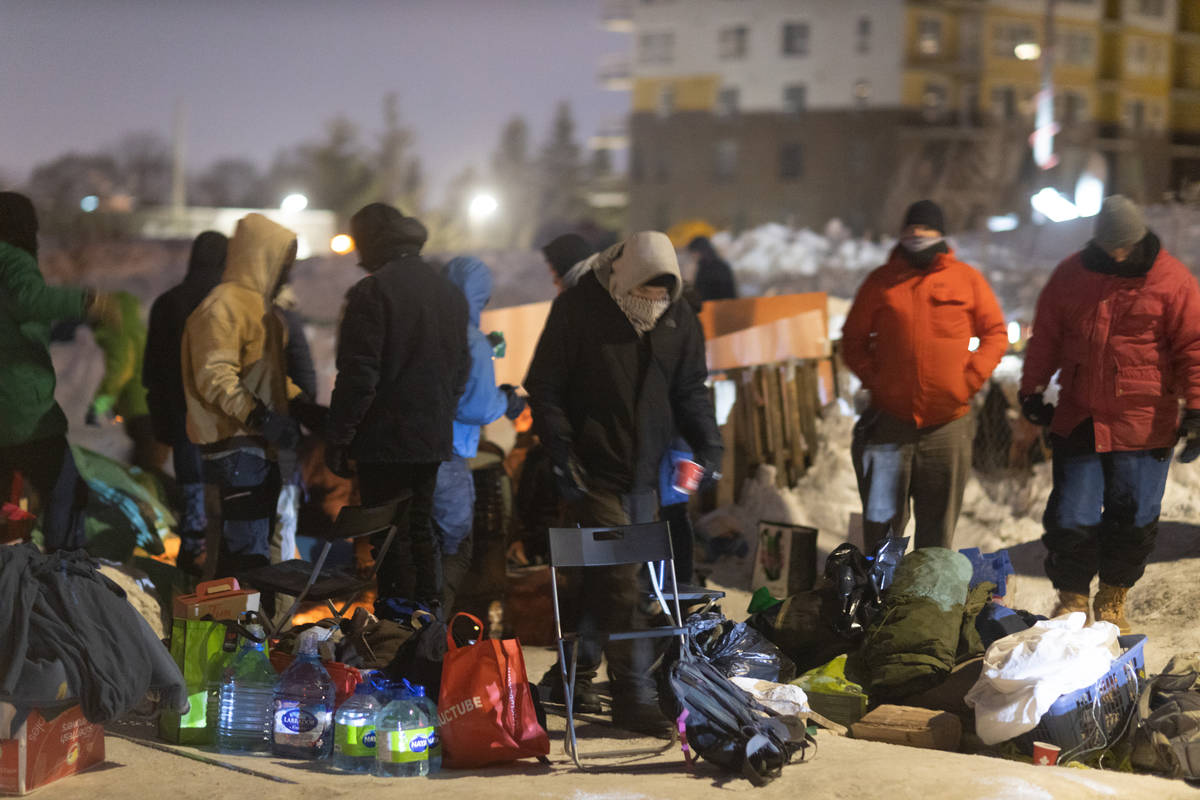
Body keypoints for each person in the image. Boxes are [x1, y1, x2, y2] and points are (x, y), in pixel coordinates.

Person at [525, 230, 723, 734]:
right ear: (623, 280)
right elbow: (544, 386)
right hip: (594, 474)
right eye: (645, 293)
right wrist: (562, 450)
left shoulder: (678, 317)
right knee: (623, 581)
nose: (652, 304)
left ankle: (570, 676)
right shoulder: (579, 310)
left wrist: (708, 447)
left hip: (646, 479)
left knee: (609, 583)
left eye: (662, 294)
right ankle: (631, 695)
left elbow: (690, 389)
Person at [1020, 195, 1200, 632]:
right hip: (1080, 416)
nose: (1117, 254)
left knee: (1134, 518)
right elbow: (1047, 336)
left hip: (1144, 424)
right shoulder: (1071, 275)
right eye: (1109, 246)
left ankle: (1113, 598)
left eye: (1124, 246)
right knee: (1070, 514)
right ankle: (1073, 600)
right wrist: (1032, 389)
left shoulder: (1172, 281)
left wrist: (1196, 410)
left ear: (1138, 239)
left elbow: (1193, 348)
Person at [325, 203, 470, 617]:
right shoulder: (449, 292)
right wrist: (440, 411)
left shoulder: (373, 291)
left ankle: (396, 629)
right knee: (421, 530)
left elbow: (358, 375)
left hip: (384, 441)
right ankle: (428, 625)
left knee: (389, 536)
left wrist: (339, 438)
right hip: (433, 437)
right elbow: (461, 367)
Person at [842, 199, 1007, 553]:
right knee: (882, 530)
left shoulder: (967, 279)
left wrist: (969, 379)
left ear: (941, 234)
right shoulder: (881, 282)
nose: (917, 234)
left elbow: (996, 333)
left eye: (926, 228)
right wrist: (878, 380)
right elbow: (853, 341)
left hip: (946, 429)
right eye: (911, 228)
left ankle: (925, 604)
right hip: (888, 428)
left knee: (937, 533)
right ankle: (880, 601)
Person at [181, 213, 307, 575]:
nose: (288, 271)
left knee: (255, 550)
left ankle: (251, 627)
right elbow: (214, 375)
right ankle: (238, 629)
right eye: (283, 261)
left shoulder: (258, 306)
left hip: (254, 444)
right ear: (261, 258)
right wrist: (259, 416)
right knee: (244, 554)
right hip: (233, 444)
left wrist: (300, 405)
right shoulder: (223, 306)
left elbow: (266, 377)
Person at [0, 191, 121, 551]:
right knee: (66, 487)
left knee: (7, 501)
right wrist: (87, 300)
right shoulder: (13, 259)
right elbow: (30, 301)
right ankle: (61, 572)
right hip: (21, 409)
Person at [436, 256, 526, 612]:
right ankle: (440, 630)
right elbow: (476, 407)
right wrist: (505, 400)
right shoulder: (471, 340)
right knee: (455, 544)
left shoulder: (428, 329)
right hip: (452, 453)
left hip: (419, 451)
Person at [144, 231, 227, 574]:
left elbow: (153, 369)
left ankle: (190, 569)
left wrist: (163, 422)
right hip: (225, 420)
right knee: (224, 502)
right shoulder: (228, 303)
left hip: (182, 418)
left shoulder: (168, 302)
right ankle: (221, 575)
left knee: (193, 496)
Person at [88, 290, 159, 471]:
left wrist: (100, 404)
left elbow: (120, 371)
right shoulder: (136, 329)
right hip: (152, 406)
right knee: (146, 466)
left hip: (140, 408)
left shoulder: (117, 332)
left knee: (143, 471)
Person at [686, 235, 738, 301]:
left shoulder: (706, 269)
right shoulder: (722, 266)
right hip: (724, 306)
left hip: (714, 307)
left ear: (700, 251)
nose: (693, 257)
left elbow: (701, 292)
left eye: (694, 253)